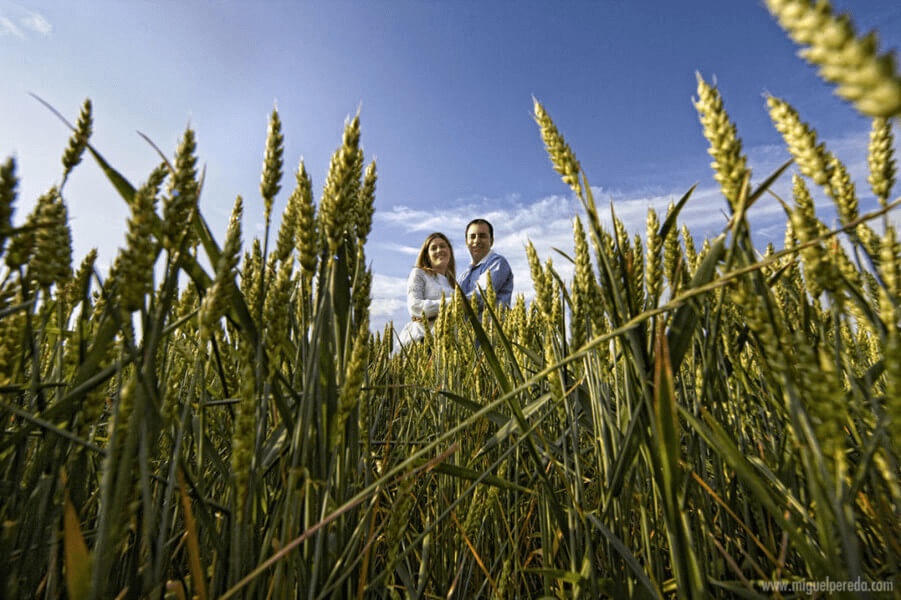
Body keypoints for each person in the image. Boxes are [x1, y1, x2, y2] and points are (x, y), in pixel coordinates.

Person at [395, 232, 457, 349]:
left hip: (447, 345)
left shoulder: (452, 283)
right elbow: (415, 307)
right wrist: (453, 302)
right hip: (423, 341)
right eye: (433, 248)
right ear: (427, 255)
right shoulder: (419, 273)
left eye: (443, 246)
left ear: (449, 251)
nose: (439, 250)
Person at [457, 218, 513, 308]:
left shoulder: (498, 263)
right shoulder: (464, 276)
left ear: (492, 241)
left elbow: (480, 296)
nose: (477, 241)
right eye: (472, 236)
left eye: (482, 236)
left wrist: (434, 307)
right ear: (466, 242)